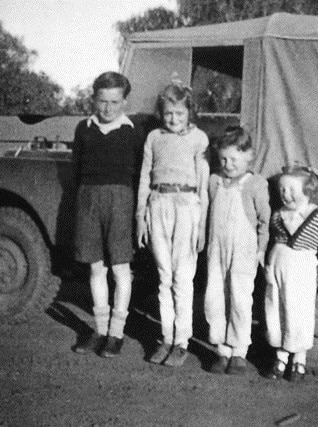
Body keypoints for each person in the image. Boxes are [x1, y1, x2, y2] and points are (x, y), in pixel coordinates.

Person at [136, 81, 209, 367]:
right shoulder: (154, 137)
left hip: (187, 207)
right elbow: (144, 177)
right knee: (164, 276)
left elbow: (203, 187)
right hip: (159, 205)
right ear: (161, 112)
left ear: (189, 113)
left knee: (183, 278)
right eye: (168, 113)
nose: (173, 119)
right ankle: (166, 337)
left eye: (179, 114)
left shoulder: (199, 139)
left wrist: (201, 225)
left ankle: (182, 341)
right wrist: (141, 216)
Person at [71, 71, 143, 358]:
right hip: (89, 197)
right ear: (94, 100)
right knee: (95, 267)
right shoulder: (83, 128)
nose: (107, 108)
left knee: (120, 268)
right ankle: (99, 331)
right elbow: (76, 168)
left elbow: (139, 172)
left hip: (120, 199)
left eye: (114, 102)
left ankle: (116, 334)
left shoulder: (132, 131)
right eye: (102, 101)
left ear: (124, 101)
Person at [264, 165, 318, 381]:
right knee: (277, 309)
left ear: (307, 192)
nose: (285, 195)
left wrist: (317, 256)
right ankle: (280, 357)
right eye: (282, 190)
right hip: (277, 267)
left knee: (299, 312)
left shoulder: (317, 217)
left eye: (291, 190)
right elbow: (273, 238)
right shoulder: (278, 215)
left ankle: (299, 359)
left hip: (301, 269)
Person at [204, 126, 271, 375]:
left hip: (244, 250)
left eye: (233, 159)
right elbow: (208, 214)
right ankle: (222, 350)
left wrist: (261, 249)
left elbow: (265, 220)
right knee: (214, 297)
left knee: (240, 300)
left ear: (249, 156)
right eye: (223, 158)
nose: (228, 164)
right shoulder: (214, 181)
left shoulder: (255, 184)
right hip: (217, 250)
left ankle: (239, 351)